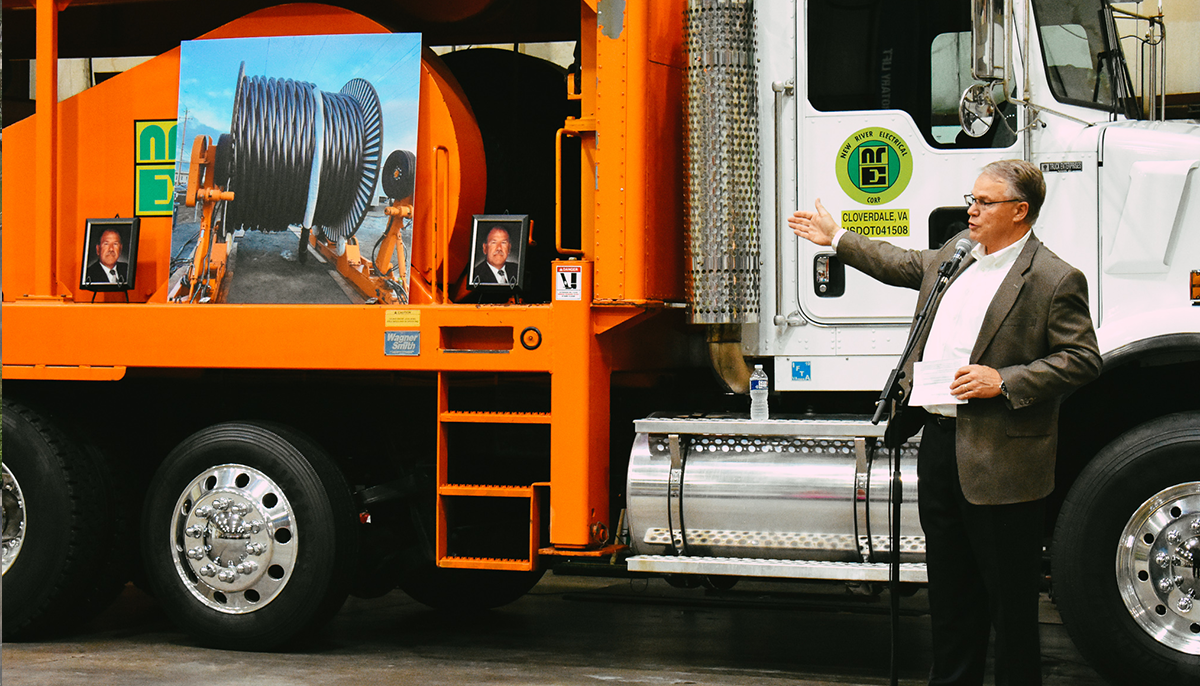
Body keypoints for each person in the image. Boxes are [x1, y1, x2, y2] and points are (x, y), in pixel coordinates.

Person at [789, 159, 1101, 686]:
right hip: (940, 446)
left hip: (1002, 463)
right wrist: (836, 237)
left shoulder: (1052, 277)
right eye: (971, 199)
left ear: (1020, 211)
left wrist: (1003, 380)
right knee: (952, 599)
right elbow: (901, 261)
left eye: (984, 202)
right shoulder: (958, 255)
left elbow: (1083, 358)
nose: (971, 210)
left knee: (1010, 608)